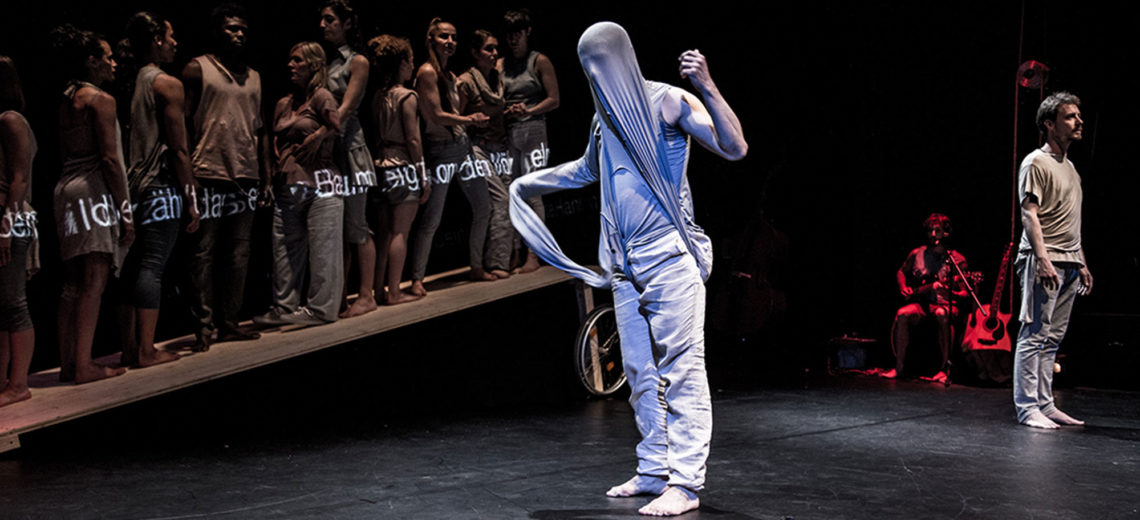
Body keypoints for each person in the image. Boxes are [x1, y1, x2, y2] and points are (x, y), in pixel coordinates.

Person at [509, 22, 747, 517]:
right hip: (623, 262)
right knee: (639, 372)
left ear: (621, 59)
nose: (595, 74)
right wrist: (528, 185)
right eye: (587, 66)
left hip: (667, 257)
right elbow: (586, 170)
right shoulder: (603, 119)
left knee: (681, 370)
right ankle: (654, 468)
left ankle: (685, 481)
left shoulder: (669, 102)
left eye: (601, 62)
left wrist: (707, 84)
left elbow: (734, 147)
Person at [50, 25, 134, 383]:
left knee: (72, 283)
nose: (114, 63)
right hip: (92, 192)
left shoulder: (67, 97)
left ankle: (69, 362)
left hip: (65, 189)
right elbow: (110, 160)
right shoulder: (101, 100)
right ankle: (83, 365)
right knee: (96, 279)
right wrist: (125, 210)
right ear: (91, 61)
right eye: (108, 57)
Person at [181, 3, 267, 352]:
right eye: (232, 28)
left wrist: (267, 176)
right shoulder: (196, 69)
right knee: (203, 252)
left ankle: (229, 323)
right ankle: (203, 326)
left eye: (243, 29)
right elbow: (183, 124)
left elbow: (261, 130)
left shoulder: (256, 76)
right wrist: (187, 175)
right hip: (209, 170)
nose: (239, 34)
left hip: (245, 172)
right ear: (218, 31)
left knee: (239, 253)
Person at [117, 12, 199, 368]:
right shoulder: (166, 83)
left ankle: (131, 347)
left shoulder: (131, 80)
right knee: (152, 266)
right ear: (156, 39)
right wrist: (192, 199)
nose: (176, 43)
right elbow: (179, 149)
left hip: (132, 186)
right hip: (160, 186)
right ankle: (147, 350)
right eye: (171, 36)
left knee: (132, 268)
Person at [1013, 91, 1092, 429]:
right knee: (1034, 334)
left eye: (1078, 116)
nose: (1079, 122)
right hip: (1044, 259)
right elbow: (1029, 215)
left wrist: (1082, 261)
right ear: (1049, 124)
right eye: (1070, 117)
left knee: (1053, 339)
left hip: (1069, 262)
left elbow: (1070, 220)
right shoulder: (1035, 162)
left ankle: (1045, 404)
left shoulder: (1071, 168)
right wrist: (1043, 259)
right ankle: (1027, 407)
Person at [256, 41, 343, 326]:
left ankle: (321, 310)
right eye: (290, 60)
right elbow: (271, 141)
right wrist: (269, 178)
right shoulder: (284, 103)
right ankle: (285, 308)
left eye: (297, 61)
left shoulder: (322, 97)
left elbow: (337, 126)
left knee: (324, 248)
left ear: (314, 65)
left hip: (321, 183)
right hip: (287, 184)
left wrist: (317, 135)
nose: (290, 66)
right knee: (283, 248)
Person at [408, 18, 492, 296]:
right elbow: (435, 115)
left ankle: (476, 266)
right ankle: (417, 278)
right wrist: (470, 119)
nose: (450, 42)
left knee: (484, 206)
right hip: (441, 150)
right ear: (431, 39)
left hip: (462, 146)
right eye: (444, 36)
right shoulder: (427, 72)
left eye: (454, 37)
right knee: (432, 217)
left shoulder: (450, 75)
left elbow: (453, 114)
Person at [320, 0, 377, 318]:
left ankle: (366, 295)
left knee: (357, 225)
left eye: (330, 20)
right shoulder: (326, 63)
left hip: (351, 151)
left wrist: (316, 137)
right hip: (330, 155)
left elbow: (345, 110)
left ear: (346, 23)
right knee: (337, 229)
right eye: (323, 20)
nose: (324, 25)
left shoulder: (358, 62)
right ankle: (338, 296)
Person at [368, 34, 428, 305]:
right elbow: (414, 140)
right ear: (402, 63)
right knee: (400, 231)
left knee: (384, 233)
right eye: (411, 61)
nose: (413, 66)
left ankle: (377, 291)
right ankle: (394, 291)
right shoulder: (407, 97)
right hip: (403, 166)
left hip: (380, 167)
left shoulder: (378, 96)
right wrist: (423, 176)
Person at [501, 9, 558, 274]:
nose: (513, 39)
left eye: (518, 33)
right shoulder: (501, 65)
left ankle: (534, 255)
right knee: (512, 193)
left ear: (527, 32)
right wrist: (507, 111)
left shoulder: (539, 61)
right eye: (510, 33)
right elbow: (496, 100)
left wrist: (529, 110)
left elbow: (554, 99)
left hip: (535, 129)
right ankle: (514, 253)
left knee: (532, 193)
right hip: (508, 132)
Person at [884, 213, 968, 383]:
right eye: (930, 230)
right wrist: (903, 287)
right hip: (923, 304)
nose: (932, 234)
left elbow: (966, 293)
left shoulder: (957, 260)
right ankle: (899, 367)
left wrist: (951, 294)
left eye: (937, 230)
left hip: (945, 306)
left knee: (941, 314)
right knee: (902, 313)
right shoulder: (917, 254)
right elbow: (901, 271)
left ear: (946, 233)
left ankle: (944, 369)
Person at [458, 29, 512, 279]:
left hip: (499, 146)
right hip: (475, 148)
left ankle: (501, 260)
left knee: (508, 201)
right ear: (474, 53)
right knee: (494, 202)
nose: (494, 53)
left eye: (495, 48)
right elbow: (456, 120)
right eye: (488, 49)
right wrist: (472, 120)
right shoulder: (466, 82)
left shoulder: (497, 79)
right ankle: (482, 264)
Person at [0, 56, 38, 406]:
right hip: (5, 221)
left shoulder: (11, 120)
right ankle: (3, 382)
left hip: (11, 220)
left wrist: (6, 228)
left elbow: (19, 179)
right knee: (3, 303)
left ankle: (19, 384)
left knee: (13, 301)